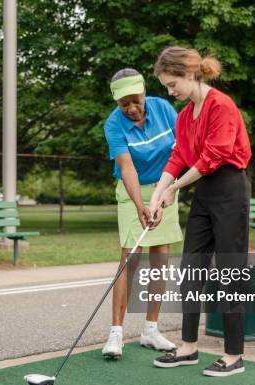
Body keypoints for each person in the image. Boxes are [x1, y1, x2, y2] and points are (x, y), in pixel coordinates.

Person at [149, 46, 252, 377]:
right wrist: (158, 193)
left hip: (229, 188)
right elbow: (179, 156)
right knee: (192, 269)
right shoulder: (183, 117)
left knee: (228, 273)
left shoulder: (221, 106)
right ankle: (189, 347)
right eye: (166, 86)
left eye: (172, 83)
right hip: (205, 191)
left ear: (189, 73)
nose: (170, 91)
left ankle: (234, 355)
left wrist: (174, 189)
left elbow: (212, 158)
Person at [102, 68, 183, 359]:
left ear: (144, 92)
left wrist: (161, 197)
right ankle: (116, 334)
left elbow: (180, 151)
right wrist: (140, 206)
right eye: (125, 104)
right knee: (130, 259)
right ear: (117, 103)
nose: (132, 108)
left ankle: (150, 330)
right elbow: (127, 167)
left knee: (160, 257)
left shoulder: (164, 109)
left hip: (165, 186)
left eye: (136, 100)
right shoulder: (113, 124)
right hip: (131, 191)